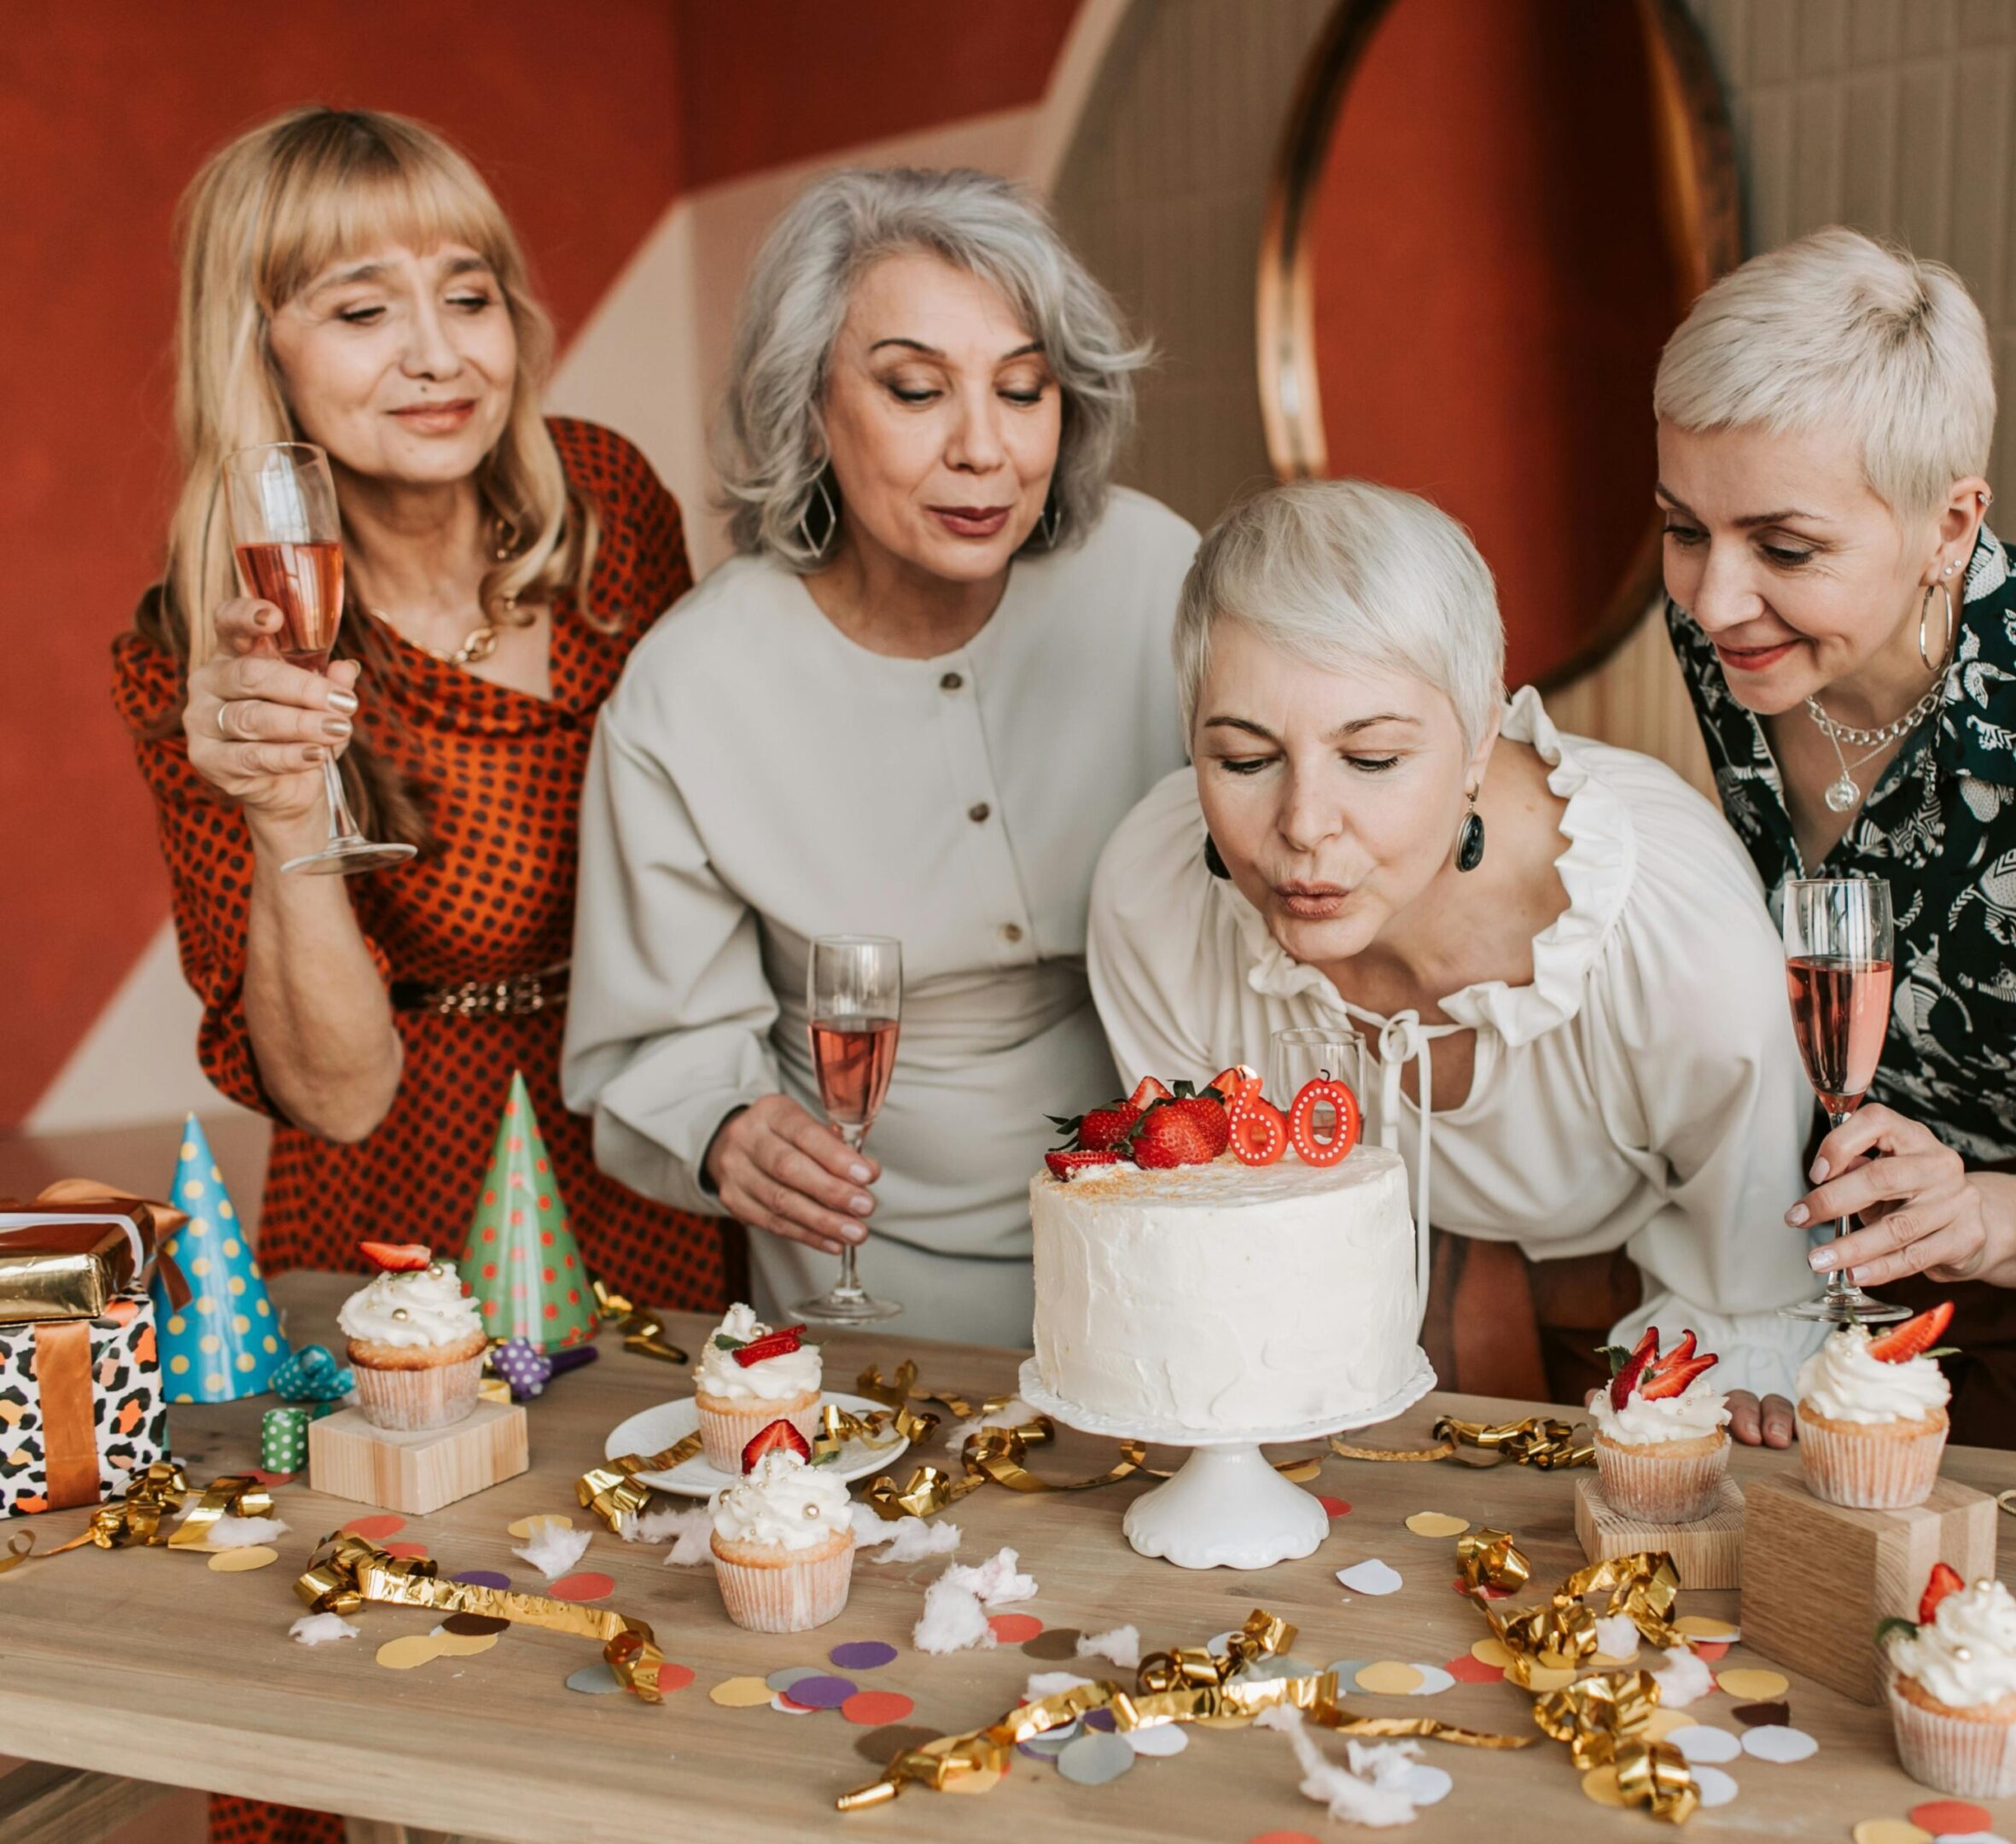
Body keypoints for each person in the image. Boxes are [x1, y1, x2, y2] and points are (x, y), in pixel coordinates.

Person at [109, 106, 720, 1844]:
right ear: (267, 355)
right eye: (361, 310)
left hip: (646, 1135)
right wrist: (289, 807)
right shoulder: (202, 653)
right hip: (403, 1183)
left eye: (470, 292)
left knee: (674, 1624)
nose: (441, 355)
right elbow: (337, 1087)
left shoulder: (607, 502)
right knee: (408, 1670)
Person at [564, 168, 1197, 1340]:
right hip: (870, 1273)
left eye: (1023, 390)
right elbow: (663, 1044)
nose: (985, 450)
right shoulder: (692, 688)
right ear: (807, 406)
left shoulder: (1162, 578)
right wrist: (724, 1128)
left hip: (1177, 1236)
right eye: (916, 389)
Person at [1652, 228, 2016, 1455]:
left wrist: (1977, 1217)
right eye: (1684, 529)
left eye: (1785, 547)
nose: (1712, 600)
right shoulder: (1728, 638)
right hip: (1829, 1252)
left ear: (1950, 525)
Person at [1088, 478, 1822, 1408]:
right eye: (1244, 760)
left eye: (1373, 759)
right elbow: (1215, 1253)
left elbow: (1752, 1285)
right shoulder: (1152, 896)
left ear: (1481, 735)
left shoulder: (1670, 937)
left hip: (1641, 1362)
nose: (1305, 826)